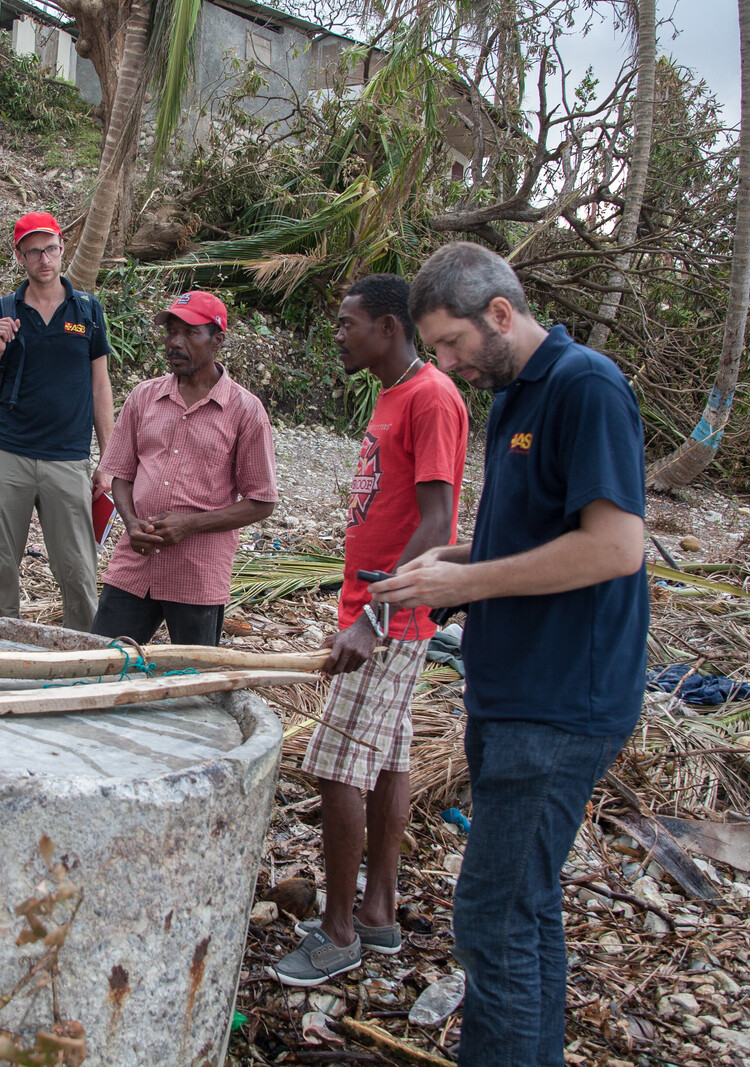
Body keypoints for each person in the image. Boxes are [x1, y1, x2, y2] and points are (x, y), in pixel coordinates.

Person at [373, 242, 648, 1066]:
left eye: (451, 343)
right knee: (523, 909)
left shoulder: (584, 386)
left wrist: (472, 582)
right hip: (511, 690)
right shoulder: (512, 398)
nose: (446, 365)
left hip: (561, 701)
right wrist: (448, 563)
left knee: (491, 916)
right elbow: (526, 537)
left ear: (500, 312)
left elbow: (614, 548)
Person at [268, 274, 468, 986]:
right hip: (378, 608)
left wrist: (375, 618)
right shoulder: (393, 395)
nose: (339, 332)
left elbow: (440, 524)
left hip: (394, 614)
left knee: (333, 763)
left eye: (349, 322)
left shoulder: (433, 396)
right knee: (385, 760)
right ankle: (378, 914)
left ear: (389, 326)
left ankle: (339, 930)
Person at [90, 291, 278, 645]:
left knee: (193, 680)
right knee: (101, 663)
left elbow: (262, 501)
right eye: (170, 332)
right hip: (135, 565)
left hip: (197, 575)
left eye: (190, 333)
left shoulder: (245, 411)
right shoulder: (144, 397)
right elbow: (122, 474)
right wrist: (131, 523)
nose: (175, 343)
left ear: (217, 340)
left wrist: (190, 524)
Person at [0, 212, 113, 632]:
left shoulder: (86, 310)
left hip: (67, 460)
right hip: (7, 453)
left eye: (50, 248)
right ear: (20, 257)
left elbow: (100, 386)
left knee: (78, 571)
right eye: (33, 251)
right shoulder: (4, 310)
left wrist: (110, 458)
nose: (44, 259)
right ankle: (1, 654)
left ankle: (84, 661)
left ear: (62, 246)